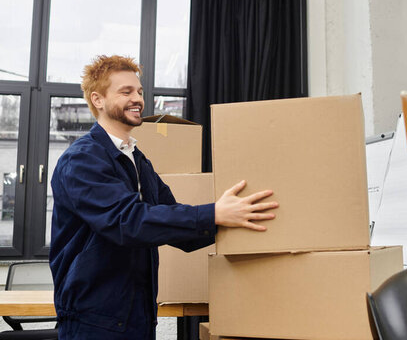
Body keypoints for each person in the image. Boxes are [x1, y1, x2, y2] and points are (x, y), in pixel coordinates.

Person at [49, 55, 278, 339]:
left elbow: (175, 224)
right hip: (94, 321)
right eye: (126, 92)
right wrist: (214, 213)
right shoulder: (83, 160)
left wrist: (239, 216)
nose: (138, 99)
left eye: (140, 92)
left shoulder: (137, 160)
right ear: (97, 99)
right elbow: (127, 221)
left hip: (138, 315)